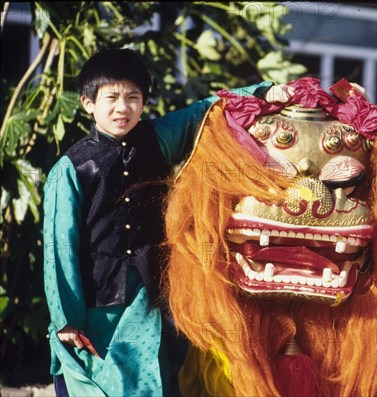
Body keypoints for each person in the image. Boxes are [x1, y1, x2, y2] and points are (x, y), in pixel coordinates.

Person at [43, 48, 291, 396]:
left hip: (151, 291)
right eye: (111, 97)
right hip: (97, 304)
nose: (122, 107)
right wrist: (66, 320)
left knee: (153, 380)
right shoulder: (71, 168)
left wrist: (262, 92)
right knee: (98, 380)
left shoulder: (157, 139)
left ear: (144, 102)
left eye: (133, 97)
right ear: (88, 103)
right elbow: (59, 247)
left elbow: (206, 112)